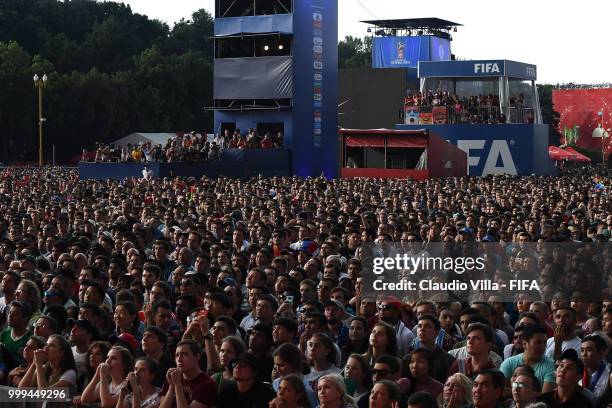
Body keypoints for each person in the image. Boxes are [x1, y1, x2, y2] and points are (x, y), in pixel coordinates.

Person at [159, 339, 217, 408]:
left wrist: (177, 385)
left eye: (184, 354)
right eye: (177, 355)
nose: (179, 359)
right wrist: (172, 386)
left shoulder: (207, 384)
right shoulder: (173, 377)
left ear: (197, 357)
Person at [499, 325, 555, 394]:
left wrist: (517, 391)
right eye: (538, 342)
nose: (543, 347)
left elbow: (545, 397)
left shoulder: (550, 366)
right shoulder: (509, 363)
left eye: (544, 343)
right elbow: (500, 391)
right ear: (525, 344)